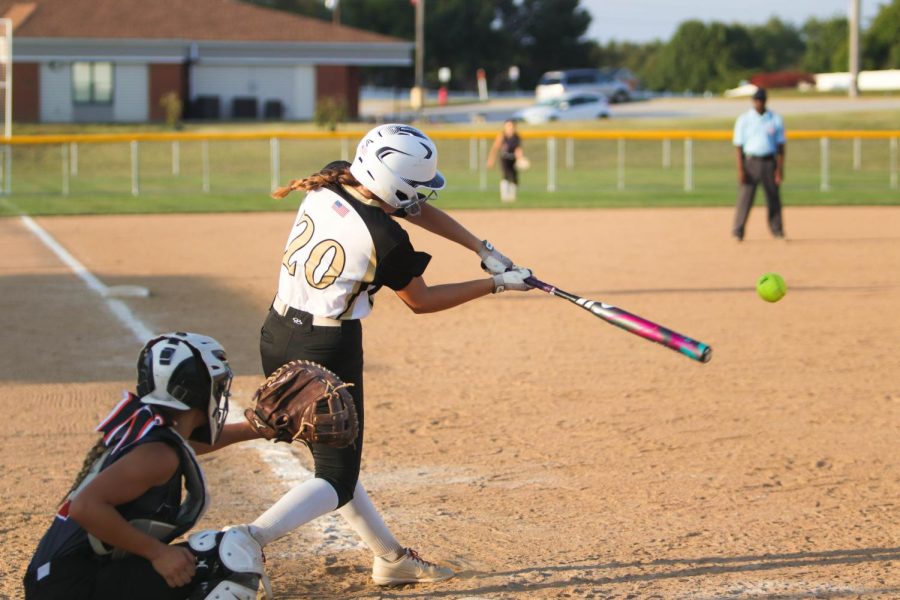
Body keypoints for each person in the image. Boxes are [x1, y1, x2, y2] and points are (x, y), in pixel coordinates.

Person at [217, 123, 534, 587]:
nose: (420, 196)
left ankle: (389, 557)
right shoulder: (384, 238)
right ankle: (248, 538)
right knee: (337, 477)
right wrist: (496, 284)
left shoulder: (338, 177)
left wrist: (482, 249)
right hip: (327, 349)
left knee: (333, 459)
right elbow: (421, 301)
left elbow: (413, 207)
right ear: (396, 185)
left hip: (278, 331)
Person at [23, 332, 269, 600]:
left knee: (209, 557)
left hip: (60, 580)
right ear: (198, 390)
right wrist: (158, 553)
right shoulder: (159, 455)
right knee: (223, 560)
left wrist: (253, 428)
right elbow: (85, 506)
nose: (221, 393)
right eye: (218, 385)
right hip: (72, 586)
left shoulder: (149, 431)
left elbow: (185, 447)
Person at [732, 87, 787, 241]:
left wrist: (779, 169)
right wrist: (741, 169)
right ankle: (738, 230)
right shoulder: (744, 119)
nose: (759, 102)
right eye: (756, 100)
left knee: (773, 198)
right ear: (753, 101)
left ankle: (777, 230)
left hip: (769, 161)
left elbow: (781, 146)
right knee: (745, 198)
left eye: (761, 100)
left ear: (765, 101)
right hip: (750, 161)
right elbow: (738, 147)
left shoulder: (775, 119)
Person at [487, 118, 528, 202]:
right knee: (506, 175)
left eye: (512, 125)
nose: (510, 127)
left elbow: (518, 149)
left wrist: (521, 158)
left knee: (514, 177)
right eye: (508, 125)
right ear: (505, 126)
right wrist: (491, 159)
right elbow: (495, 148)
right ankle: (504, 197)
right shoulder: (502, 136)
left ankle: (512, 197)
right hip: (505, 158)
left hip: (514, 158)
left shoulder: (517, 137)